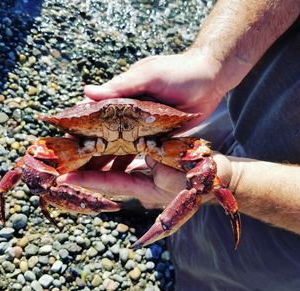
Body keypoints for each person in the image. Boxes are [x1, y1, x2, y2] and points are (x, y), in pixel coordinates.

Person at [57, 1, 300, 289]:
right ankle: (139, 200)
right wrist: (211, 61)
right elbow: (33, 165)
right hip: (245, 103)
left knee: (224, 254)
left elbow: (213, 174)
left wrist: (235, 179)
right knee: (202, 153)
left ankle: (169, 229)